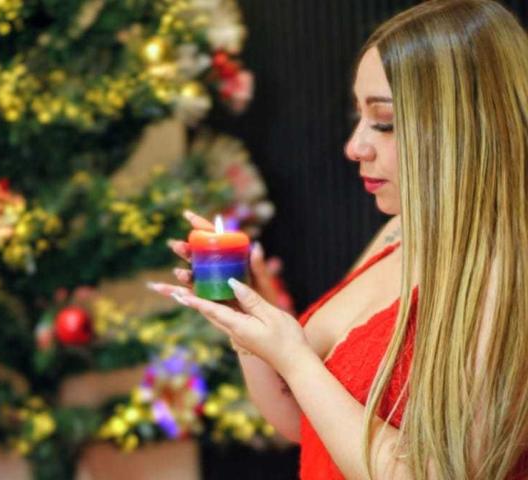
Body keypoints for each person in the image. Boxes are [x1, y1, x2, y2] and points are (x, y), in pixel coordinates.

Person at [147, 0, 528, 478]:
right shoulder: (397, 233)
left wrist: (295, 358)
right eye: (359, 117)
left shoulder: (509, 277)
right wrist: (249, 331)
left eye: (384, 123)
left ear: (468, 129)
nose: (355, 147)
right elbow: (305, 424)